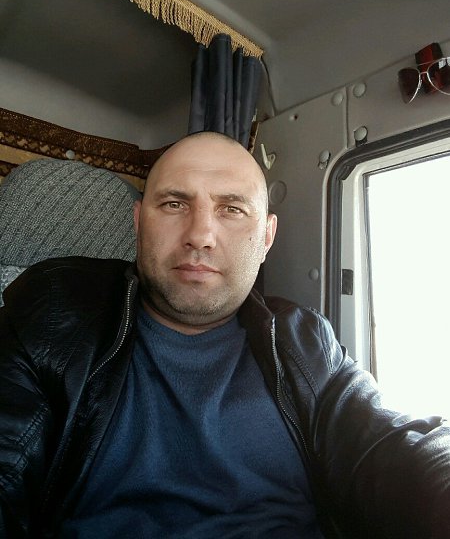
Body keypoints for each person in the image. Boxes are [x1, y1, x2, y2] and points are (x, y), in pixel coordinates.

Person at [0, 132, 449, 538]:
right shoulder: (53, 315)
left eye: (231, 209)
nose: (200, 235)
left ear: (267, 237)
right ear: (138, 223)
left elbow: (392, 441)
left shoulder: (305, 340)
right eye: (174, 204)